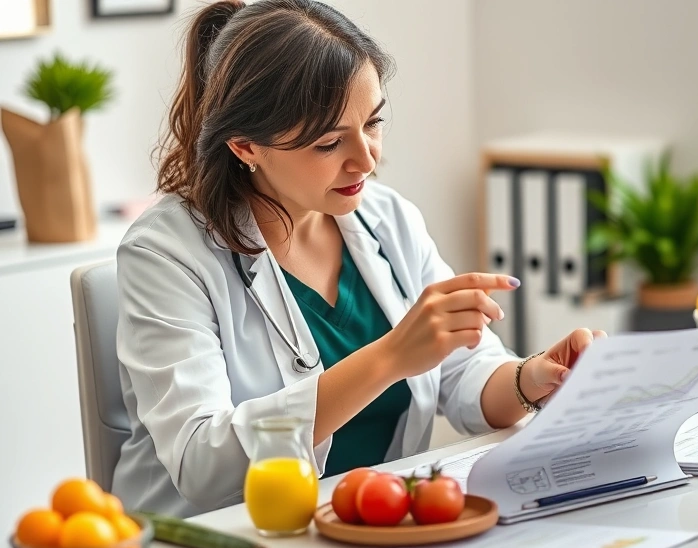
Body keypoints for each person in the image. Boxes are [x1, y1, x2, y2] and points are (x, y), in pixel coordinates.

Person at [111, 0, 605, 518]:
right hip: (220, 544)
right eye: (329, 143)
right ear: (245, 146)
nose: (366, 159)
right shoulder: (165, 253)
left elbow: (464, 375)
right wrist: (389, 357)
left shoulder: (386, 218)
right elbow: (201, 464)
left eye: (373, 123)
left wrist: (533, 379)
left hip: (364, 531)